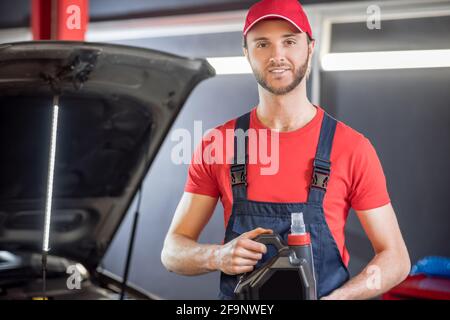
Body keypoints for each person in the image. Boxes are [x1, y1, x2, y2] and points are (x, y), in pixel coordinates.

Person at [161, 0, 410, 300]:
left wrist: (340, 298)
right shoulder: (220, 145)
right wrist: (217, 256)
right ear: (246, 53)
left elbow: (396, 259)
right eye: (262, 44)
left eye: (289, 41)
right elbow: (172, 251)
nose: (277, 56)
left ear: (310, 47)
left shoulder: (352, 148)